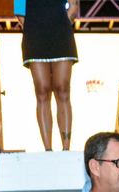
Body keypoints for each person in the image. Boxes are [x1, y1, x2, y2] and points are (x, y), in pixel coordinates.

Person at [21, 0, 79, 150]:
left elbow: (74, 7)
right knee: (42, 90)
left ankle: (66, 148)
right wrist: (35, 28)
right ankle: (47, 149)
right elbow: (19, 10)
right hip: (35, 35)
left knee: (62, 89)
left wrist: (59, 26)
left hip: (61, 34)